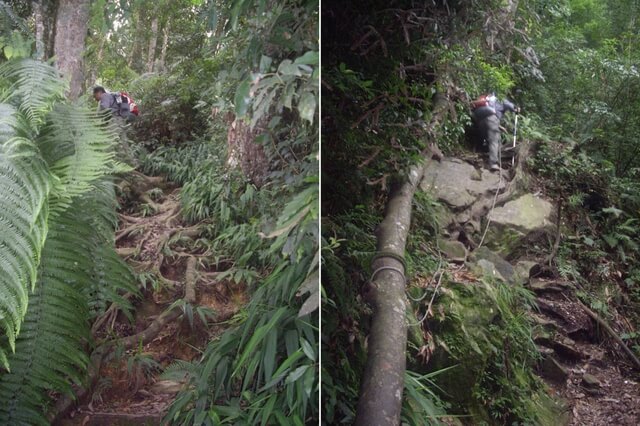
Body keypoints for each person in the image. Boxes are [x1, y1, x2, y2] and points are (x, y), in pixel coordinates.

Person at [471, 93, 519, 172]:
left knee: (485, 137)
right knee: (494, 140)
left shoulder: (489, 99)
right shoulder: (502, 99)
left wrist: (500, 127)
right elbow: (511, 106)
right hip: (491, 117)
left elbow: (489, 120)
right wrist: (516, 109)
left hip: (479, 118)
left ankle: (479, 153)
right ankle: (493, 163)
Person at [93, 86, 134, 163]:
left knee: (108, 141)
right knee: (124, 144)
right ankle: (132, 163)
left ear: (99, 92)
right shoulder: (111, 97)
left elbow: (105, 109)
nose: (95, 98)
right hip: (121, 120)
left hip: (114, 121)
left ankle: (103, 163)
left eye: (95, 96)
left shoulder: (104, 96)